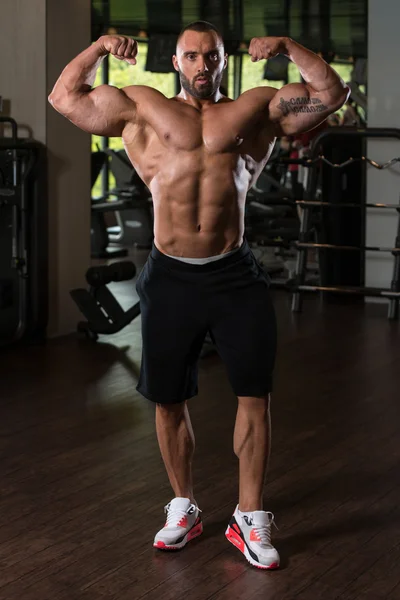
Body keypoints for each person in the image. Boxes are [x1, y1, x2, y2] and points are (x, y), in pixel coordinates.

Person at [49, 21, 349, 570]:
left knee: (254, 394)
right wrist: (96, 46)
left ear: (224, 62)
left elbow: (332, 94)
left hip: (235, 275)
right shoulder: (142, 107)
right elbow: (64, 97)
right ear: (176, 62)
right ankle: (183, 506)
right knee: (169, 400)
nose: (203, 66)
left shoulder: (257, 108)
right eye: (192, 56)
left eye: (211, 57)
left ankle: (249, 517)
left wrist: (287, 46)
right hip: (170, 277)